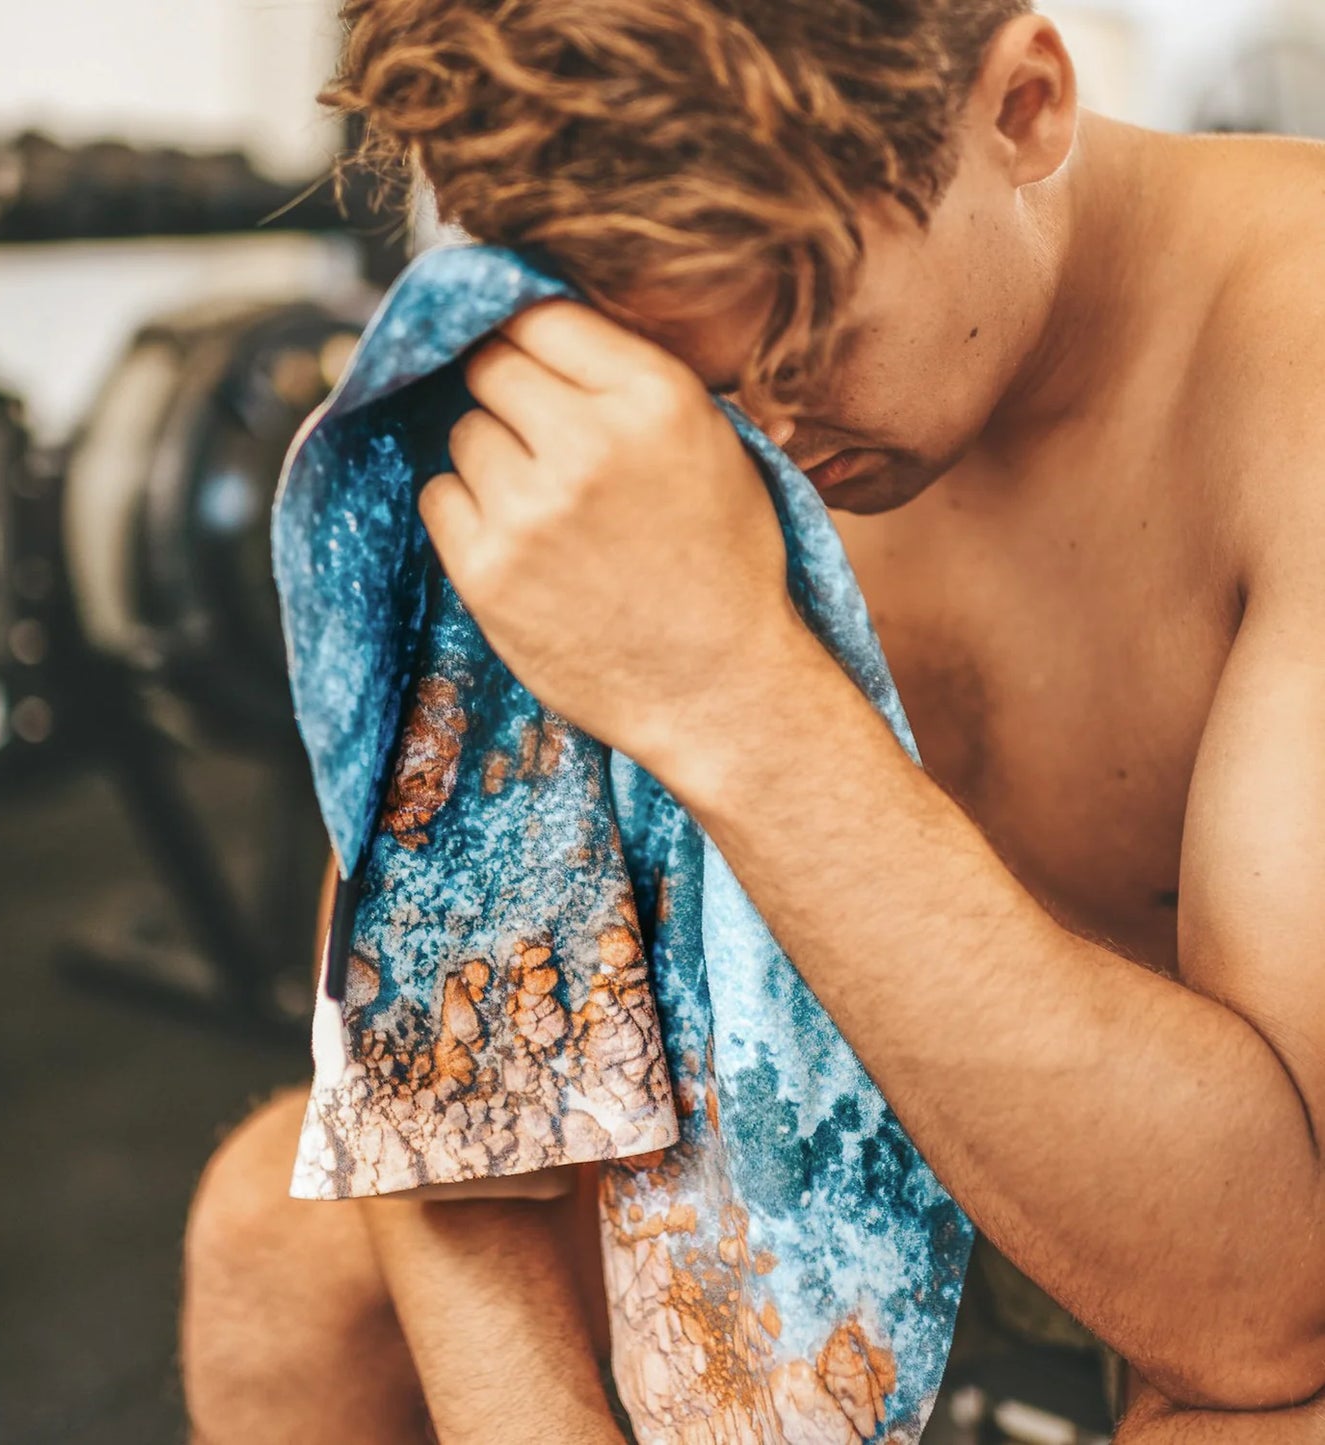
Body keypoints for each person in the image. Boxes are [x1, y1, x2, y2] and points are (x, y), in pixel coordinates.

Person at [181, 0, 1325, 1439]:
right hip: (805, 1115)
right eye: (698, 379)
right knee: (269, 1244)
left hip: (1211, 1206)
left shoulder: (1296, 368)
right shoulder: (605, 305)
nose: (757, 437)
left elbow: (1265, 1298)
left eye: (806, 343)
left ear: (1022, 107)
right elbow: (427, 1006)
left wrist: (731, 685)